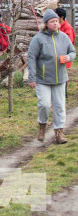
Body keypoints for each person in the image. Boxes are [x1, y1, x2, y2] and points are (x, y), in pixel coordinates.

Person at [28, 9, 75, 144]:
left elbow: (72, 51)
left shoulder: (63, 37)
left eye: (56, 21)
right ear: (46, 24)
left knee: (60, 106)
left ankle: (59, 133)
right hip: (43, 79)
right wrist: (32, 77)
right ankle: (42, 126)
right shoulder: (38, 38)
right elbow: (31, 57)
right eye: (52, 21)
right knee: (44, 104)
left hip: (60, 78)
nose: (55, 24)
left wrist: (68, 57)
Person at [56, 7, 75, 98]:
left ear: (61, 17)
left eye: (56, 17)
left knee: (63, 74)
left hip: (64, 55)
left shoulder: (67, 28)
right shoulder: (57, 27)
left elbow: (69, 43)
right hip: (56, 55)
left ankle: (64, 94)